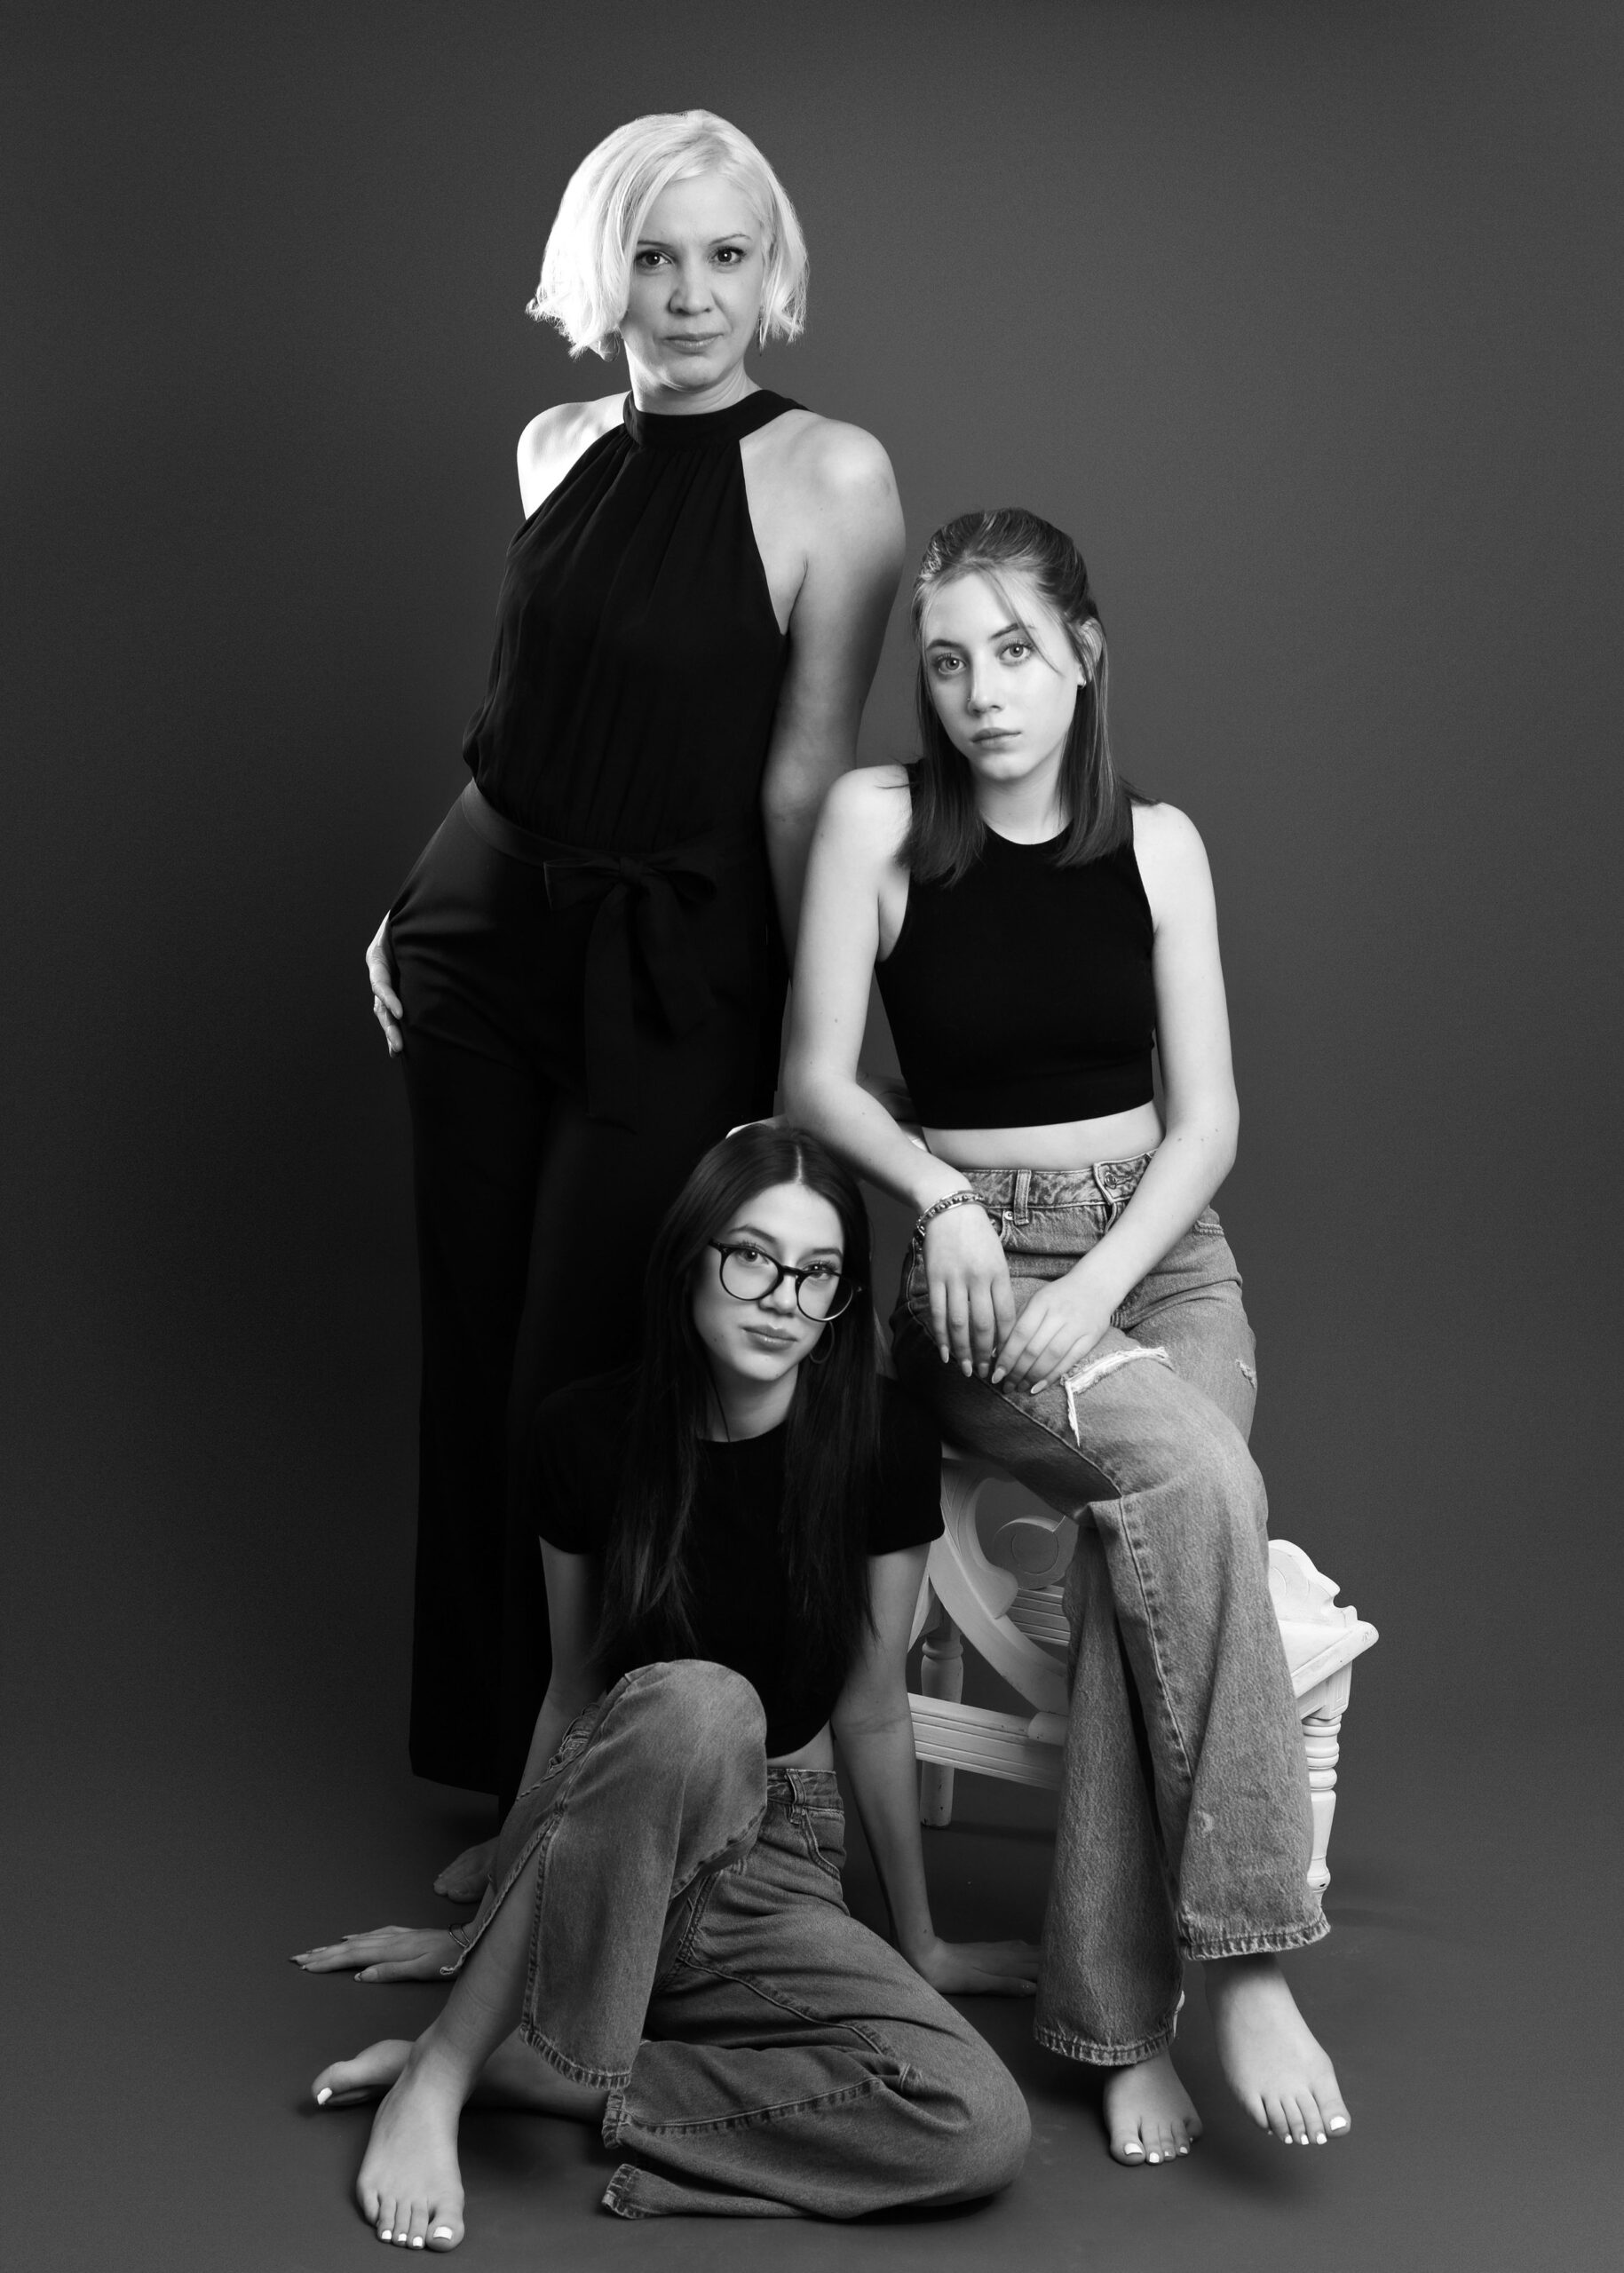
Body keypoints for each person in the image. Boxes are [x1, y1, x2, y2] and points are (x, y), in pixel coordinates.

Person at [783, 508, 1352, 2166]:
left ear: (1083, 655)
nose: (978, 692)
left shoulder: (1160, 844)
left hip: (1163, 1271)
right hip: (969, 1284)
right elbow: (817, 1074)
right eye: (945, 660)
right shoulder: (875, 823)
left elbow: (1207, 1123)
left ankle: (1123, 2021)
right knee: (1189, 1487)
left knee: (1150, 1523)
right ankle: (1236, 1954)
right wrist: (942, 1207)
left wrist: (1098, 1287)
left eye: (1013, 651)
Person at [365, 111, 906, 1818]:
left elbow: (801, 779)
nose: (688, 298)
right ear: (603, 270)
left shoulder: (832, 475)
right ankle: (488, 1775)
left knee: (585, 1359)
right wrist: (414, 894)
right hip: (482, 927)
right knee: (466, 1351)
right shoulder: (550, 443)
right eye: (654, 256)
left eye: (724, 257)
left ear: (772, 272)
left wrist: (808, 1045)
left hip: (673, 960)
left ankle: (599, 1790)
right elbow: (528, 711)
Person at [294, 1127, 1035, 2245]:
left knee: (977, 2122)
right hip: (612, 1841)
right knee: (700, 1700)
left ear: (841, 1297)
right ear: (690, 1256)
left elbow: (872, 1698)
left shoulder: (880, 1441)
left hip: (774, 1864)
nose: (781, 1296)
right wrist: (502, 1900)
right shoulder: (584, 1435)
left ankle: (556, 2076)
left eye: (817, 1273)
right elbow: (574, 1692)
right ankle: (439, 2074)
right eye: (750, 1256)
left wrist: (919, 1943)